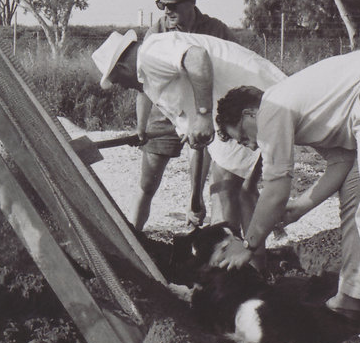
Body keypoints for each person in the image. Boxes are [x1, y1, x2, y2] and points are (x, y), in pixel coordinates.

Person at [213, 50, 360, 343]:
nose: (252, 146)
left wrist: (249, 246)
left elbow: (274, 188)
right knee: (358, 195)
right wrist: (300, 207)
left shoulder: (270, 107)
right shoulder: (302, 108)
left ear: (249, 115)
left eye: (244, 138)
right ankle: (351, 298)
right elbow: (341, 164)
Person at [91, 28, 286, 246]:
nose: (123, 86)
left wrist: (203, 115)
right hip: (231, 115)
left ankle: (233, 266)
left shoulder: (151, 52)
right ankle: (247, 264)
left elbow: (196, 56)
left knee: (225, 190)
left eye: (117, 80)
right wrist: (195, 197)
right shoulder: (151, 83)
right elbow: (199, 143)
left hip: (248, 102)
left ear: (122, 66)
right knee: (240, 193)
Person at [137, 0, 257, 232]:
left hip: (206, 110)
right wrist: (140, 127)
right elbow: (144, 84)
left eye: (173, 4)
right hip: (169, 111)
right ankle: (133, 237)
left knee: (215, 168)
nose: (167, 10)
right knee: (148, 183)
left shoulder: (215, 30)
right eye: (162, 5)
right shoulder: (157, 30)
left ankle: (198, 211)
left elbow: (237, 66)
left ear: (191, 3)